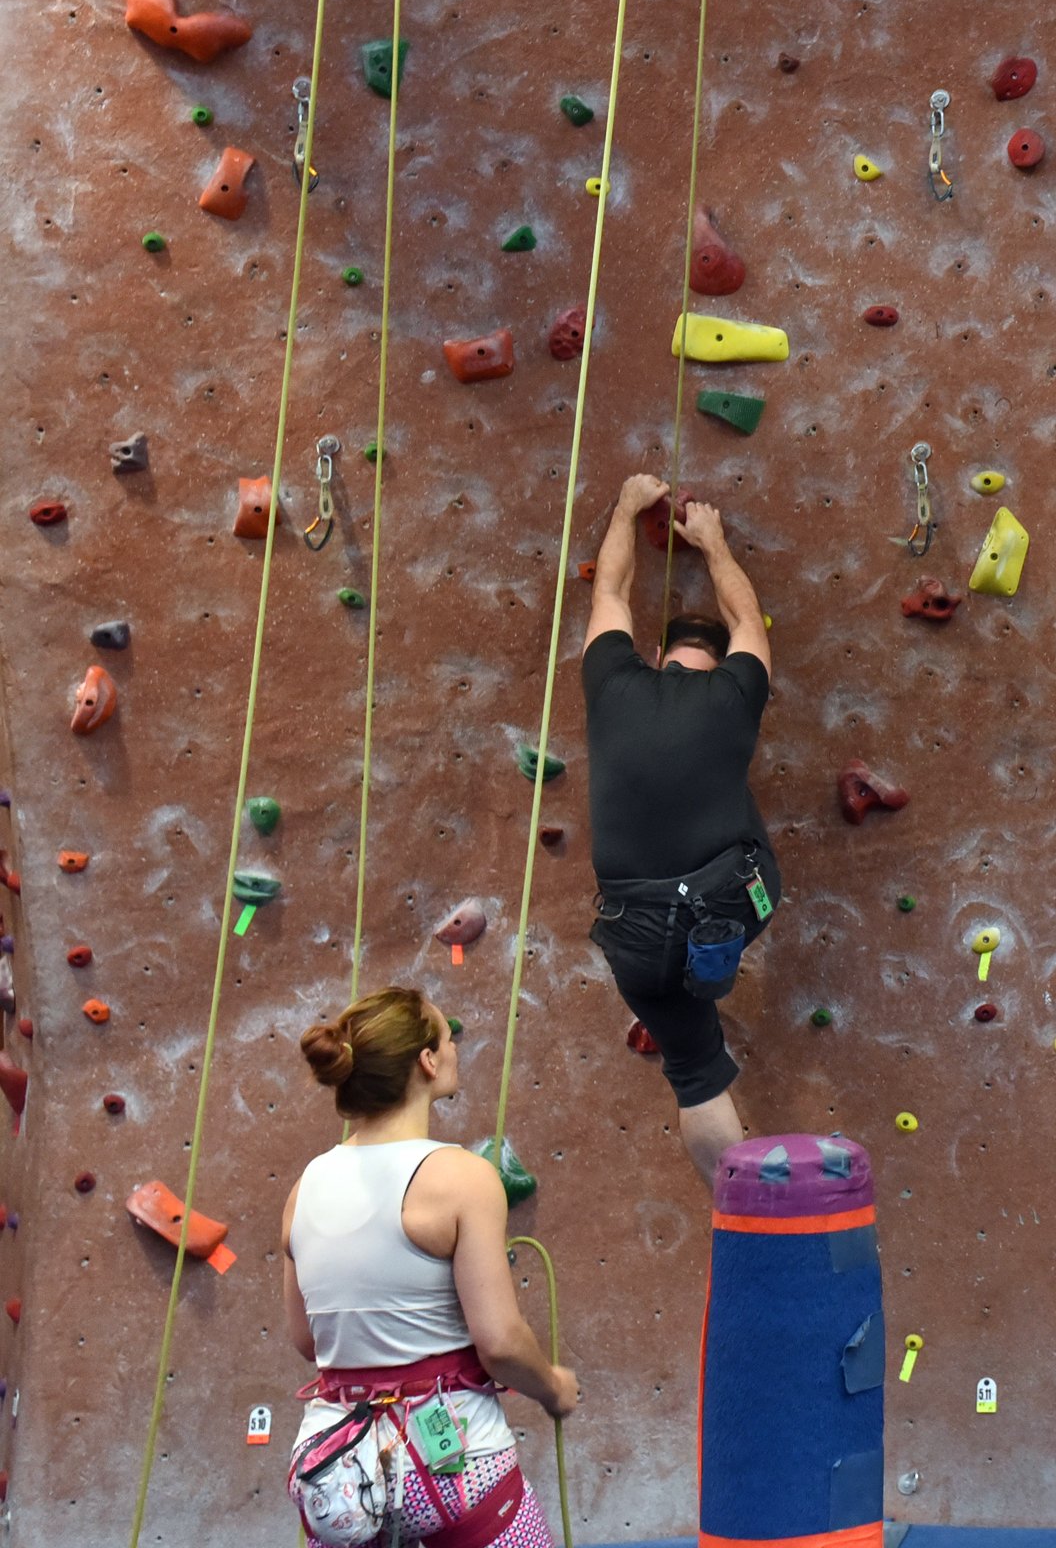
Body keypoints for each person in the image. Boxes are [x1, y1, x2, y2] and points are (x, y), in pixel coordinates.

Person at [284, 987, 576, 1548]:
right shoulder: (461, 1177)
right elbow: (501, 1342)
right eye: (448, 1039)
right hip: (451, 1461)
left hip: (340, 1472)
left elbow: (307, 1339)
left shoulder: (304, 1188)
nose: (454, 1050)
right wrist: (553, 1388)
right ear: (426, 1060)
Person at [583, 472, 779, 1185]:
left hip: (639, 935)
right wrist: (714, 543)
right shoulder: (736, 692)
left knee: (695, 1075)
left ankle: (736, 1205)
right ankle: (716, 952)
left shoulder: (614, 685)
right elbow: (746, 618)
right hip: (737, 900)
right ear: (719, 663)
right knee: (734, 804)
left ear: (659, 658)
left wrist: (629, 506)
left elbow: (610, 593)